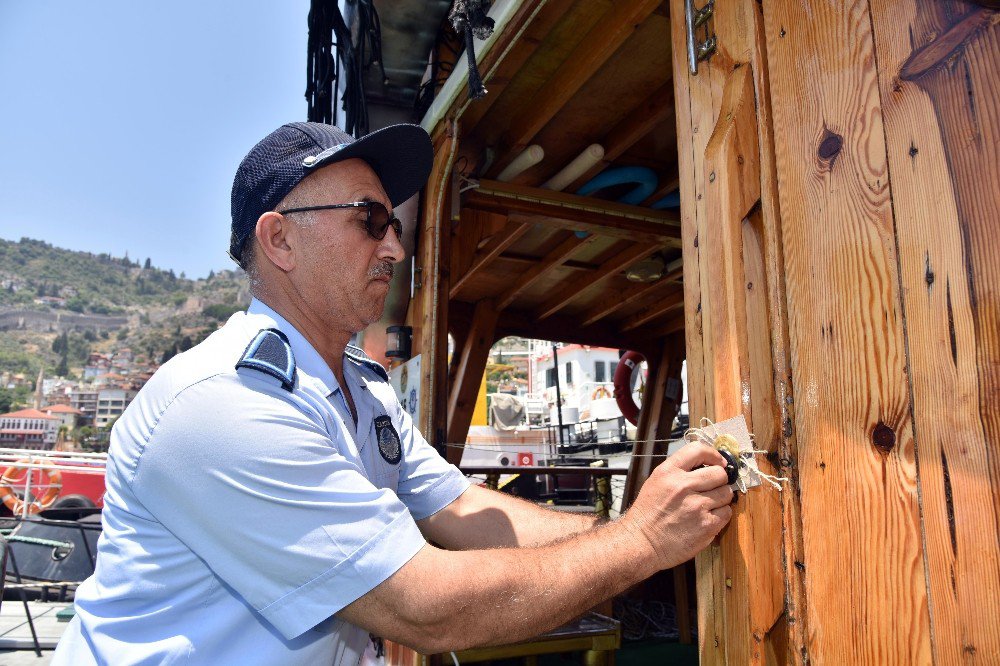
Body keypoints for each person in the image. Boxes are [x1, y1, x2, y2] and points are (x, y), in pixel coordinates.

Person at [53, 122, 734, 664]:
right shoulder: (224, 405)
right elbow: (421, 606)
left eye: (394, 225)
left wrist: (635, 530)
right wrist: (641, 544)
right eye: (367, 220)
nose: (393, 249)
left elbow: (463, 509)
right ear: (280, 238)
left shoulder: (362, 392)